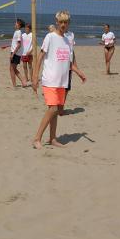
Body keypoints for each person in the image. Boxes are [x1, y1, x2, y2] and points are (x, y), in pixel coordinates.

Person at [32, 11, 86, 149]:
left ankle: (52, 138)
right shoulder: (50, 37)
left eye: (65, 22)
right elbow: (40, 57)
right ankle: (37, 138)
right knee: (53, 109)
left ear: (68, 24)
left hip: (62, 81)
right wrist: (35, 76)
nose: (63, 24)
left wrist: (79, 72)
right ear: (57, 22)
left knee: (55, 111)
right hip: (50, 80)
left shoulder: (68, 41)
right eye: (61, 22)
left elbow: (68, 62)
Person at [7, 18, 27, 87]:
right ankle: (23, 81)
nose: (15, 24)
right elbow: (15, 43)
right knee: (13, 68)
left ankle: (14, 85)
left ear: (19, 25)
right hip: (16, 52)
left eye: (16, 23)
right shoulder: (17, 32)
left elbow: (19, 44)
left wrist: (13, 54)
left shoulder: (18, 32)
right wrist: (7, 46)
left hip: (16, 53)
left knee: (12, 69)